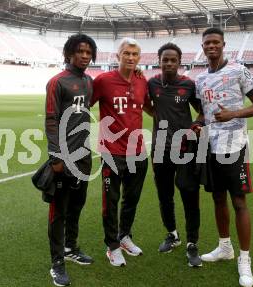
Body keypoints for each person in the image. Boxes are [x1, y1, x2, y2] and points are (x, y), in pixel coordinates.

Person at [194, 27, 253, 287]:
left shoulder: (238, 70)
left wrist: (234, 114)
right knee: (217, 198)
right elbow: (205, 112)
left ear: (223, 45)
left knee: (239, 202)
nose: (211, 46)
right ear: (202, 47)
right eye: (207, 43)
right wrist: (197, 122)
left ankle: (244, 259)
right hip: (211, 146)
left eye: (215, 42)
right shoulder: (200, 79)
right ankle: (225, 247)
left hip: (235, 146)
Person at [91, 38, 152, 267]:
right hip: (112, 152)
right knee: (111, 202)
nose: (131, 57)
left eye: (135, 54)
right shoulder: (104, 81)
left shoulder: (141, 80)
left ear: (139, 58)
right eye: (126, 53)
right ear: (118, 56)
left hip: (137, 151)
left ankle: (124, 236)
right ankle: (112, 246)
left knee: (131, 200)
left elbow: (147, 106)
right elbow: (84, 105)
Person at [44, 33, 97, 287]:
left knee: (77, 206)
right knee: (58, 212)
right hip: (62, 159)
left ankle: (71, 247)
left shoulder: (88, 81)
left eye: (88, 52)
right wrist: (55, 156)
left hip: (83, 156)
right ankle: (57, 263)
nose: (85, 56)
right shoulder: (57, 82)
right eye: (80, 51)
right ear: (69, 53)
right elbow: (51, 120)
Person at [148, 43, 202, 267]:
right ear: (159, 61)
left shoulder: (188, 85)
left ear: (179, 62)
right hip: (160, 148)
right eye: (165, 59)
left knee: (189, 194)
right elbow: (143, 103)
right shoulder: (151, 83)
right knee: (164, 194)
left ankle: (192, 243)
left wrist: (196, 124)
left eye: (173, 60)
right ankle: (172, 234)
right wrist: (157, 115)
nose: (169, 63)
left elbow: (202, 109)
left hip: (185, 148)